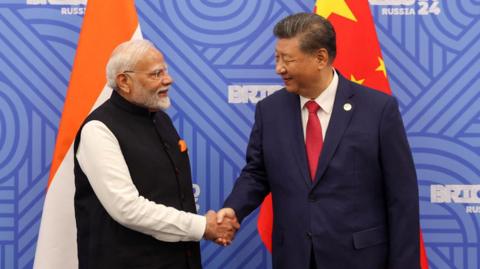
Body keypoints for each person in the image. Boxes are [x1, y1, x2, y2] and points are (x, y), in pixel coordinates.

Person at [217, 13, 420, 269]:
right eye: (277, 58)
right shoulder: (269, 111)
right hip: (294, 257)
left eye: (287, 59)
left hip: (360, 258)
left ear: (320, 58)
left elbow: (402, 197)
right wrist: (234, 209)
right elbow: (257, 173)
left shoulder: (378, 109)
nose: (279, 68)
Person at [74, 39, 239, 269]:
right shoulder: (99, 129)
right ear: (124, 81)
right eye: (156, 74)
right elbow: (127, 209)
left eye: (166, 71)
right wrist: (202, 226)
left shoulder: (160, 118)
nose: (168, 80)